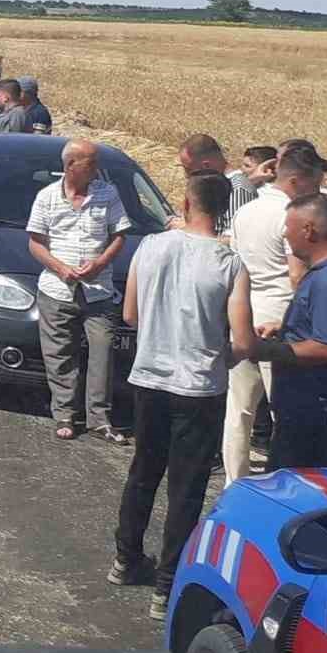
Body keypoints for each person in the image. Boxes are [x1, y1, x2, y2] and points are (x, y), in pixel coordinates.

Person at [111, 172, 254, 620]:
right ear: (223, 208)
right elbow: (244, 342)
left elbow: (130, 314)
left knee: (143, 472)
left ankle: (126, 558)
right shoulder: (230, 264)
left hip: (150, 377)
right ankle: (167, 586)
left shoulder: (151, 247)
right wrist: (221, 354)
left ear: (186, 203)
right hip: (199, 386)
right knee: (187, 488)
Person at [222, 142, 327, 483]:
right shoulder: (293, 215)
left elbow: (236, 264)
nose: (319, 189)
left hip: (244, 313)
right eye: (314, 181)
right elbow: (297, 275)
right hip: (282, 319)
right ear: (297, 180)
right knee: (285, 410)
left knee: (238, 411)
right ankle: (279, 483)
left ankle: (233, 482)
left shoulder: (246, 211)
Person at [250, 193, 327, 470]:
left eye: (288, 229)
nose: (286, 237)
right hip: (308, 415)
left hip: (315, 419)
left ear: (308, 229)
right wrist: (286, 328)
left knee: (291, 502)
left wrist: (265, 350)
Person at [26, 139, 133, 443]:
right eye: (91, 163)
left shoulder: (107, 193)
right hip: (57, 289)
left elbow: (119, 235)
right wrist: (59, 267)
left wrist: (100, 262)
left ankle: (100, 418)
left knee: (103, 349)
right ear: (71, 165)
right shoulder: (46, 198)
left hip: (98, 291)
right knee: (60, 354)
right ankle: (65, 415)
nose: (97, 169)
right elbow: (35, 241)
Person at [176, 134, 254, 235]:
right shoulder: (212, 186)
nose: (186, 175)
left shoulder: (238, 189)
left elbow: (234, 238)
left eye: (188, 169)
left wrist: (189, 230)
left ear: (206, 166)